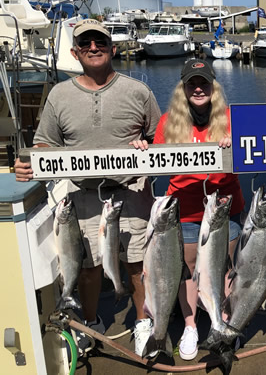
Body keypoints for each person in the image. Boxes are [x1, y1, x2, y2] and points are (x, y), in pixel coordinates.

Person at [14, 19, 162, 356]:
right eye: (85, 44)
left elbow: (161, 137)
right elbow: (44, 145)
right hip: (83, 196)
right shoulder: (59, 95)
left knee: (137, 264)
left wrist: (146, 144)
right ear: (75, 52)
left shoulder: (139, 91)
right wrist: (28, 162)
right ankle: (92, 322)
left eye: (99, 42)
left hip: (131, 190)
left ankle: (142, 322)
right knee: (88, 266)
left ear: (112, 48)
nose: (93, 48)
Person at [151, 59, 244, 361]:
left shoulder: (232, 119)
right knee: (187, 270)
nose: (199, 88)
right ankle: (190, 325)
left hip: (223, 209)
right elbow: (153, 160)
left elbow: (256, 149)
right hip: (185, 210)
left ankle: (224, 324)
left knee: (225, 269)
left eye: (204, 82)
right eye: (192, 83)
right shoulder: (167, 122)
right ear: (184, 88)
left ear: (214, 86)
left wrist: (237, 145)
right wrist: (141, 149)